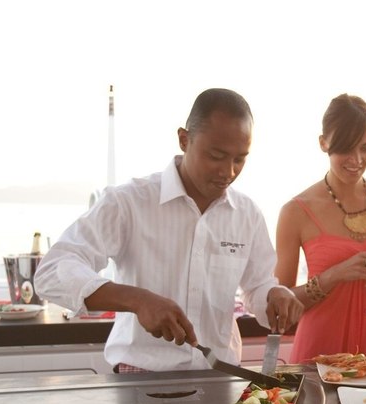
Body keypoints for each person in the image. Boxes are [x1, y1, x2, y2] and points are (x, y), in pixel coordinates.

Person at [35, 88, 303, 372]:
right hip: (140, 380)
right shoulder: (128, 202)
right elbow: (52, 271)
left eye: (240, 159)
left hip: (222, 379)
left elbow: (258, 286)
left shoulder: (247, 213)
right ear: (184, 140)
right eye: (216, 155)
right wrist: (136, 300)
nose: (229, 171)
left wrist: (275, 295)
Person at [275, 94, 366, 363]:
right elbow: (280, 306)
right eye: (346, 148)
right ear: (323, 142)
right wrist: (334, 275)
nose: (357, 159)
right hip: (322, 350)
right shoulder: (296, 212)